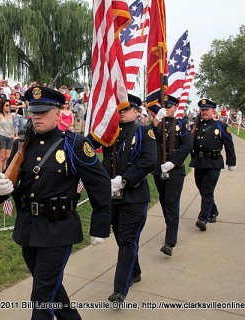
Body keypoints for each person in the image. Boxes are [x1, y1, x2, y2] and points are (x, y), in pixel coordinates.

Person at [0, 86, 111, 320]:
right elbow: (7, 186)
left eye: (44, 111)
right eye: (34, 111)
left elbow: (100, 184)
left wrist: (100, 224)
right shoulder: (21, 146)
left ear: (58, 113)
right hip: (28, 229)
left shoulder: (74, 145)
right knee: (52, 291)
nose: (37, 116)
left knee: (42, 297)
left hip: (58, 230)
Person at [88, 94, 156, 304]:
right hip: (112, 198)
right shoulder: (109, 133)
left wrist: (124, 180)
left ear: (136, 112)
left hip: (134, 196)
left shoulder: (145, 132)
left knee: (127, 241)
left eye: (126, 110)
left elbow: (148, 161)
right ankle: (134, 271)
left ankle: (120, 290)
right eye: (119, 110)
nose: (122, 113)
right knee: (122, 240)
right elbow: (89, 147)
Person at [151, 95, 193, 256]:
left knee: (172, 202)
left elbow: (187, 145)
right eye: (164, 106)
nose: (167, 108)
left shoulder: (181, 124)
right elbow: (148, 136)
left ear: (175, 107)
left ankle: (170, 241)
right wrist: (156, 120)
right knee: (163, 201)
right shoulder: (157, 123)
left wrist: (173, 162)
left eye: (169, 106)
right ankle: (171, 227)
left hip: (174, 170)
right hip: (159, 169)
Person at [190, 99, 236, 231]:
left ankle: (203, 218)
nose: (204, 112)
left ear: (213, 111)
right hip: (199, 162)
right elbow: (190, 144)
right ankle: (213, 210)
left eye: (206, 110)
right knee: (201, 188)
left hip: (214, 163)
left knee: (207, 190)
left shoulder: (220, 126)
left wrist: (231, 162)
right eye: (202, 110)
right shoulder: (196, 126)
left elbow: (229, 145)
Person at [0, 99, 15, 173]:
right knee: (1, 157)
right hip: (1, 136)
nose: (8, 107)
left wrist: (13, 136)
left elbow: (12, 127)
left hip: (10, 137)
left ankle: (5, 172)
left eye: (9, 105)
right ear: (2, 106)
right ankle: (0, 173)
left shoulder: (11, 115)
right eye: (6, 105)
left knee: (7, 156)